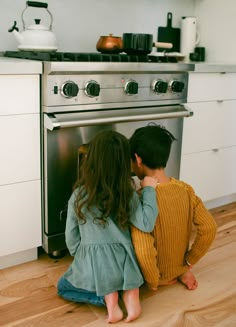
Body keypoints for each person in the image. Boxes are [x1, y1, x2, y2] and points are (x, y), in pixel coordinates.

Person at [57, 130, 158, 323]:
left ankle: (108, 301)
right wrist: (149, 190)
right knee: (124, 276)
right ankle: (130, 295)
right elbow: (146, 223)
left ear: (91, 161)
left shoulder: (79, 195)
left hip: (94, 262)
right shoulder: (127, 192)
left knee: (63, 286)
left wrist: (80, 253)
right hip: (125, 260)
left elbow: (71, 235)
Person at [129, 124, 217, 291]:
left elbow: (144, 251)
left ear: (137, 159)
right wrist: (189, 262)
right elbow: (209, 228)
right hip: (179, 265)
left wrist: (154, 281)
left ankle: (167, 274)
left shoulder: (139, 199)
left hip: (153, 272)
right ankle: (180, 271)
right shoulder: (186, 190)